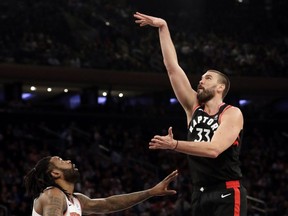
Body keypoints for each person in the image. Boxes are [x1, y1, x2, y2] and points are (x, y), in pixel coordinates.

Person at [134, 12, 247, 216]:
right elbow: (172, 68)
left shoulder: (232, 113)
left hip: (227, 190)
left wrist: (174, 144)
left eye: (208, 78)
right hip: (199, 192)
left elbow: (214, 150)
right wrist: (163, 28)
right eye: (201, 77)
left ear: (220, 87)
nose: (201, 80)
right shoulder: (193, 106)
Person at [24, 156, 178, 216]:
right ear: (55, 174)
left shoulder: (76, 200)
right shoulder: (53, 194)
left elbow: (109, 204)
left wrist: (150, 192)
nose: (69, 161)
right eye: (62, 161)